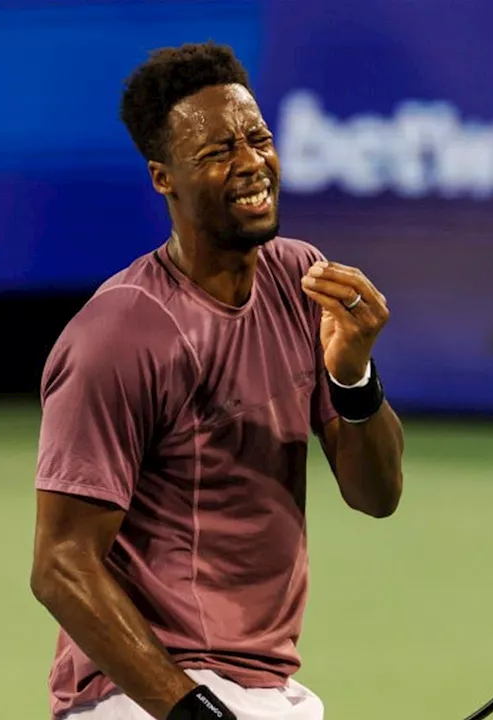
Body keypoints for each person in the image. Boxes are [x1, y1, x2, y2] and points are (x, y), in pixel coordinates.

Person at [29, 42, 406, 720]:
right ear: (163, 178)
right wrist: (188, 709)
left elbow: (375, 495)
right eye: (216, 152)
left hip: (263, 688)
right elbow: (61, 565)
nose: (251, 164)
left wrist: (353, 378)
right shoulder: (118, 335)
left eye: (257, 138)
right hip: (142, 693)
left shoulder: (301, 279)